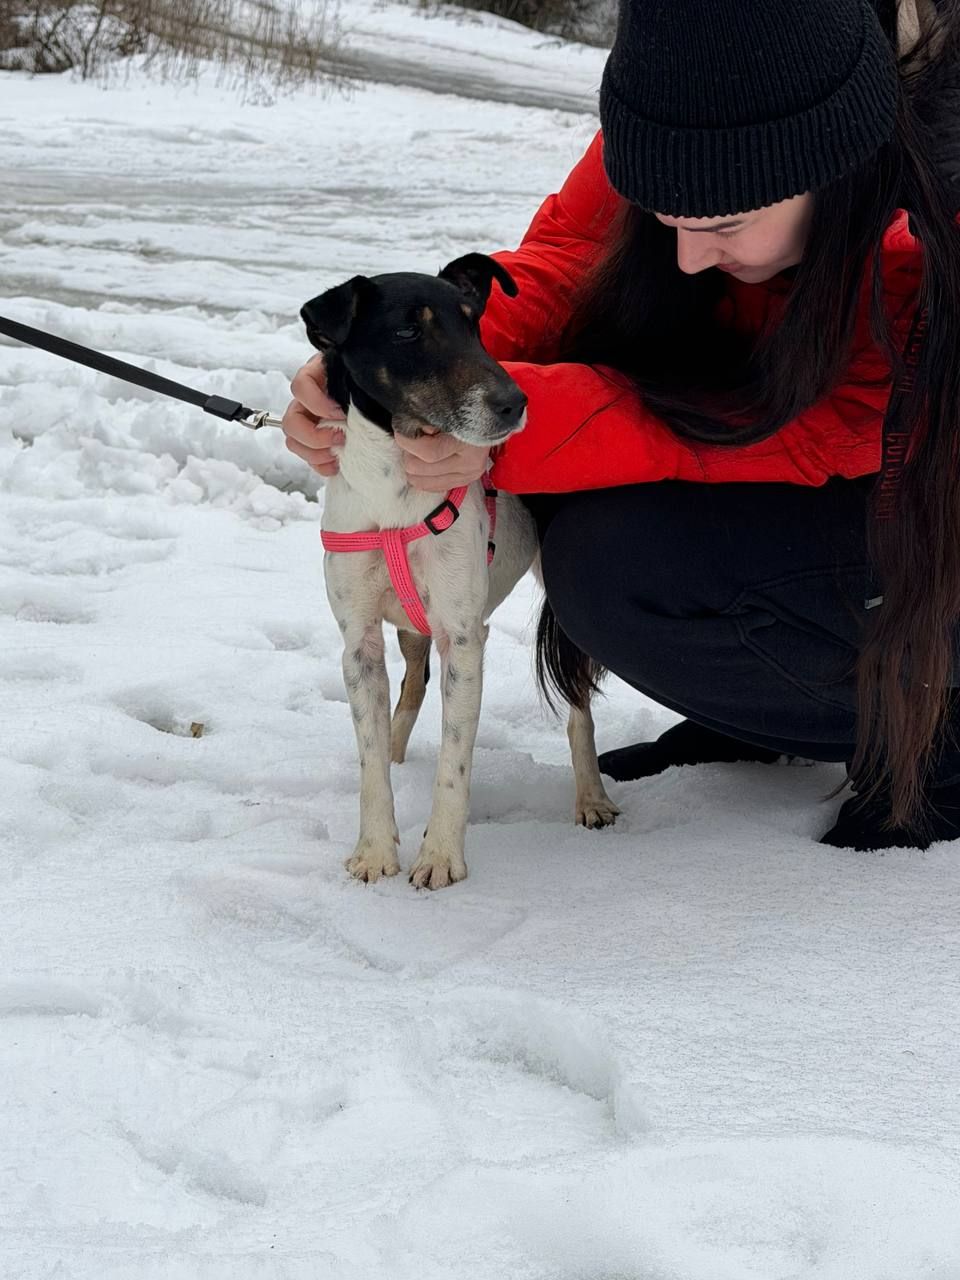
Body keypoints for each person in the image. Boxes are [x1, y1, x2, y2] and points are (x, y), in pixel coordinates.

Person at [282, 0, 960, 852]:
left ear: (832, 169)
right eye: (666, 218)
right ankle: (759, 714)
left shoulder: (929, 228)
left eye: (719, 225)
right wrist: (429, 370)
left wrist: (510, 429)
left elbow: (821, 427)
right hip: (814, 486)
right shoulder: (691, 91)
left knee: (605, 556)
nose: (684, 257)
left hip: (925, 502)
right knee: (600, 541)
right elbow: (572, 256)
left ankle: (936, 735)